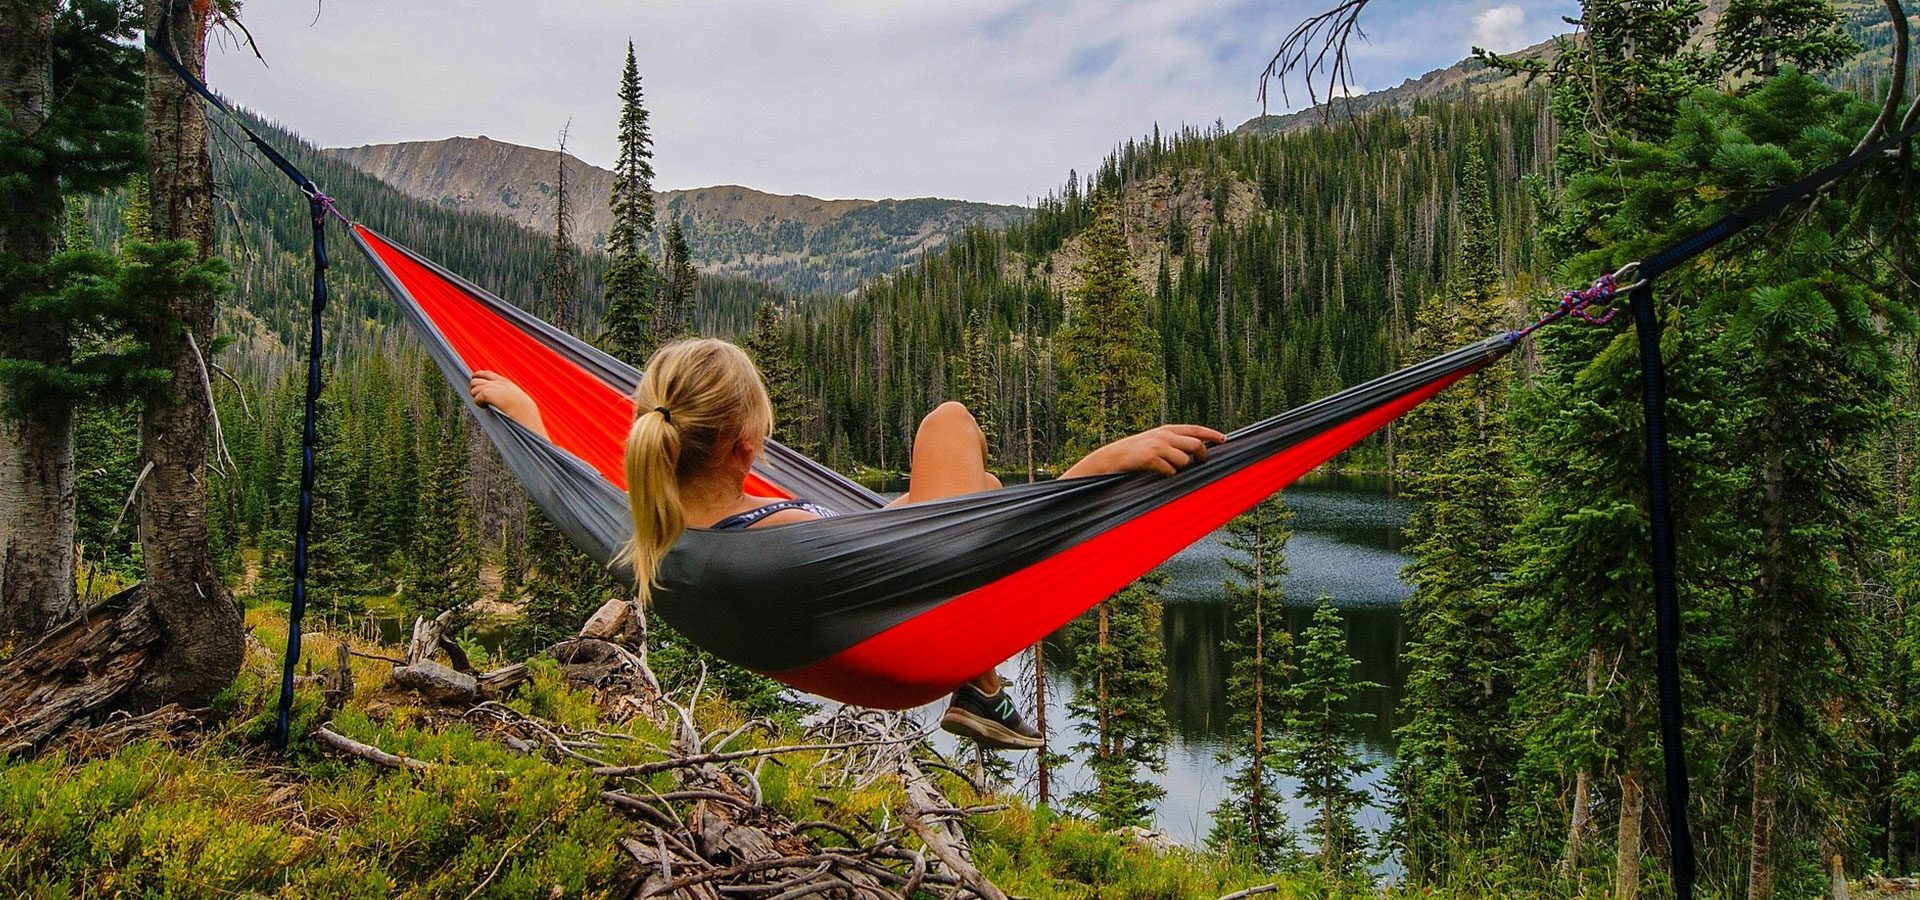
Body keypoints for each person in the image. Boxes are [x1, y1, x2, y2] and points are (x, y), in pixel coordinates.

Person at [469, 337, 1224, 750]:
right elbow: (977, 557)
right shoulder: (782, 546)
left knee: (982, 486)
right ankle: (981, 685)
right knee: (949, 422)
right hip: (905, 649)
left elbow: (571, 484)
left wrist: (529, 417)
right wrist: (1094, 473)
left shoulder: (646, 531)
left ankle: (985, 689)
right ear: (745, 444)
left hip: (854, 609)